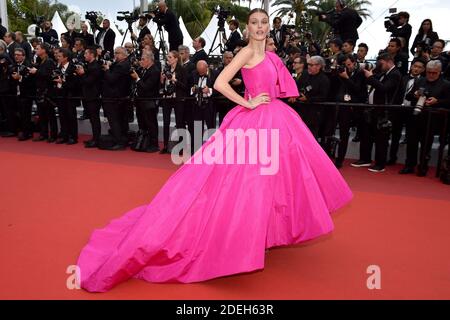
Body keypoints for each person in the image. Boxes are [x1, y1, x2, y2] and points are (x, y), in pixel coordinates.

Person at [76, 8, 353, 292]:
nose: (260, 27)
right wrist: (248, 103)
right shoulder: (246, 53)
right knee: (247, 183)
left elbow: (283, 88)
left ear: (269, 27)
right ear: (248, 27)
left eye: (264, 23)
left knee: (276, 182)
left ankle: (262, 234)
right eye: (255, 23)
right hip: (253, 122)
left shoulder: (272, 56)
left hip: (278, 121)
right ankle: (238, 238)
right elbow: (219, 83)